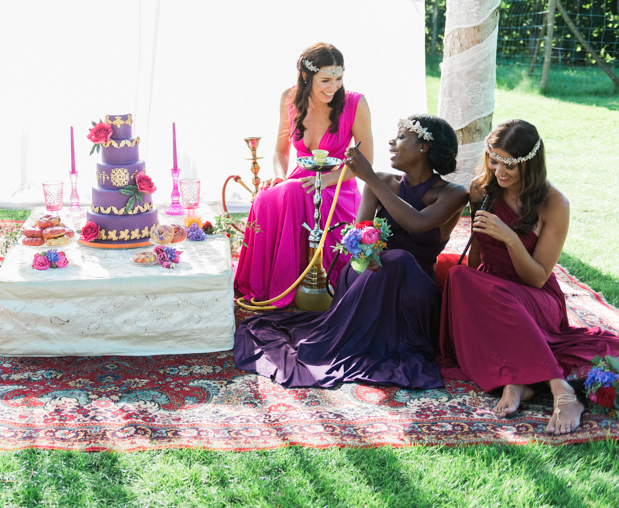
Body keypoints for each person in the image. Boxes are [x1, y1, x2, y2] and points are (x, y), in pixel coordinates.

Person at [235, 115, 468, 388]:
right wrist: (362, 253)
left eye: (402, 136)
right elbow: (356, 237)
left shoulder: (453, 194)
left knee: (399, 259)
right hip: (367, 276)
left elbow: (417, 224)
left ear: (423, 147)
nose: (392, 142)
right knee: (377, 263)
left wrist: (368, 175)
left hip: (412, 291)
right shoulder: (382, 181)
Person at [438, 119, 619, 435]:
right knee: (461, 277)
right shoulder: (481, 189)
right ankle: (517, 380)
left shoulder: (554, 203)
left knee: (479, 287)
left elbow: (537, 278)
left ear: (530, 163)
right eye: (494, 159)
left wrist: (510, 238)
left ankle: (561, 389)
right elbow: (478, 253)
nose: (499, 170)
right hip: (490, 287)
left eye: (510, 163)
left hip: (535, 297)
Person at [234, 42, 373, 307]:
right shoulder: (289, 98)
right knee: (265, 197)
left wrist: (326, 180)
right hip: (300, 179)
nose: (333, 87)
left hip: (338, 183)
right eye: (325, 80)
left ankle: (309, 283)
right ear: (307, 76)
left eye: (339, 78)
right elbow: (280, 150)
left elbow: (366, 161)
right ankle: (271, 285)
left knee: (293, 192)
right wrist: (279, 176)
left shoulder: (356, 102)